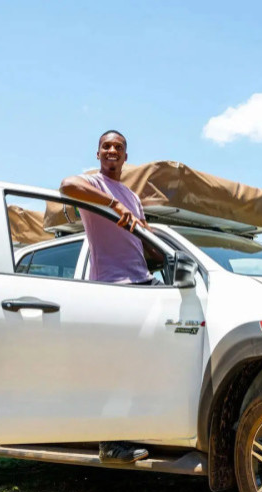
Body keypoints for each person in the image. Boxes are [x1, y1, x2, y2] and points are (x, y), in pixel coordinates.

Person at [59, 130, 154, 463]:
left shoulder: (133, 196)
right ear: (98, 153)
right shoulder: (94, 185)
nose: (112, 150)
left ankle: (145, 426)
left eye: (119, 147)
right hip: (113, 287)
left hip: (142, 282)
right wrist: (112, 203)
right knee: (116, 366)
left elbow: (140, 236)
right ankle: (110, 443)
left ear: (126, 156)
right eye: (106, 146)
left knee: (145, 361)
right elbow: (66, 186)